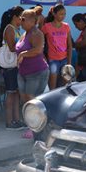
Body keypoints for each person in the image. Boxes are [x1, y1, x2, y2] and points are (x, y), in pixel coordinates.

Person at [16, 9, 50, 138]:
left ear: (32, 21)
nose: (21, 21)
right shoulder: (24, 33)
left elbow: (38, 49)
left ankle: (37, 128)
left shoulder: (36, 33)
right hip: (23, 72)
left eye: (23, 19)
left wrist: (23, 54)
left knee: (33, 101)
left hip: (36, 72)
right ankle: (31, 124)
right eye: (20, 19)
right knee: (25, 101)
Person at [1, 6, 24, 129]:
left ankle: (17, 120)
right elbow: (11, 47)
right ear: (15, 17)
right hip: (10, 67)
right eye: (21, 17)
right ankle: (9, 122)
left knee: (16, 94)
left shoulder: (17, 29)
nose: (22, 20)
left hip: (16, 65)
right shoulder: (10, 29)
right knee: (11, 93)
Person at [42, 4, 73, 90]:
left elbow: (70, 45)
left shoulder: (66, 26)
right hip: (53, 60)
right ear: (54, 14)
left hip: (64, 60)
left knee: (65, 86)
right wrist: (43, 56)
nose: (63, 16)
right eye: (60, 14)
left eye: (64, 14)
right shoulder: (47, 27)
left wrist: (69, 62)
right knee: (52, 87)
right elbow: (39, 40)